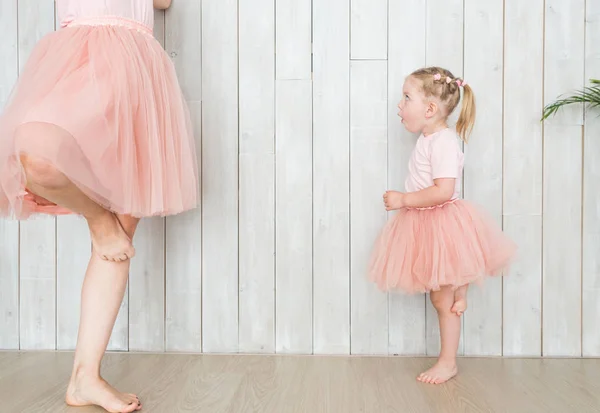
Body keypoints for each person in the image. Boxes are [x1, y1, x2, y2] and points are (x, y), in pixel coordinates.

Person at [0, 0, 198, 411]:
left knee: (121, 231)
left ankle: (84, 377)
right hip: (79, 59)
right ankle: (97, 219)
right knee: (36, 156)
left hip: (136, 72)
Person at [368, 66, 516, 385]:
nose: (399, 105)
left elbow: (444, 191)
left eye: (407, 98)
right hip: (429, 224)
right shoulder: (430, 138)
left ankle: (448, 361)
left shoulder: (444, 142)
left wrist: (404, 199)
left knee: (442, 300)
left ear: (430, 109)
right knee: (441, 297)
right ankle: (459, 294)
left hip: (442, 222)